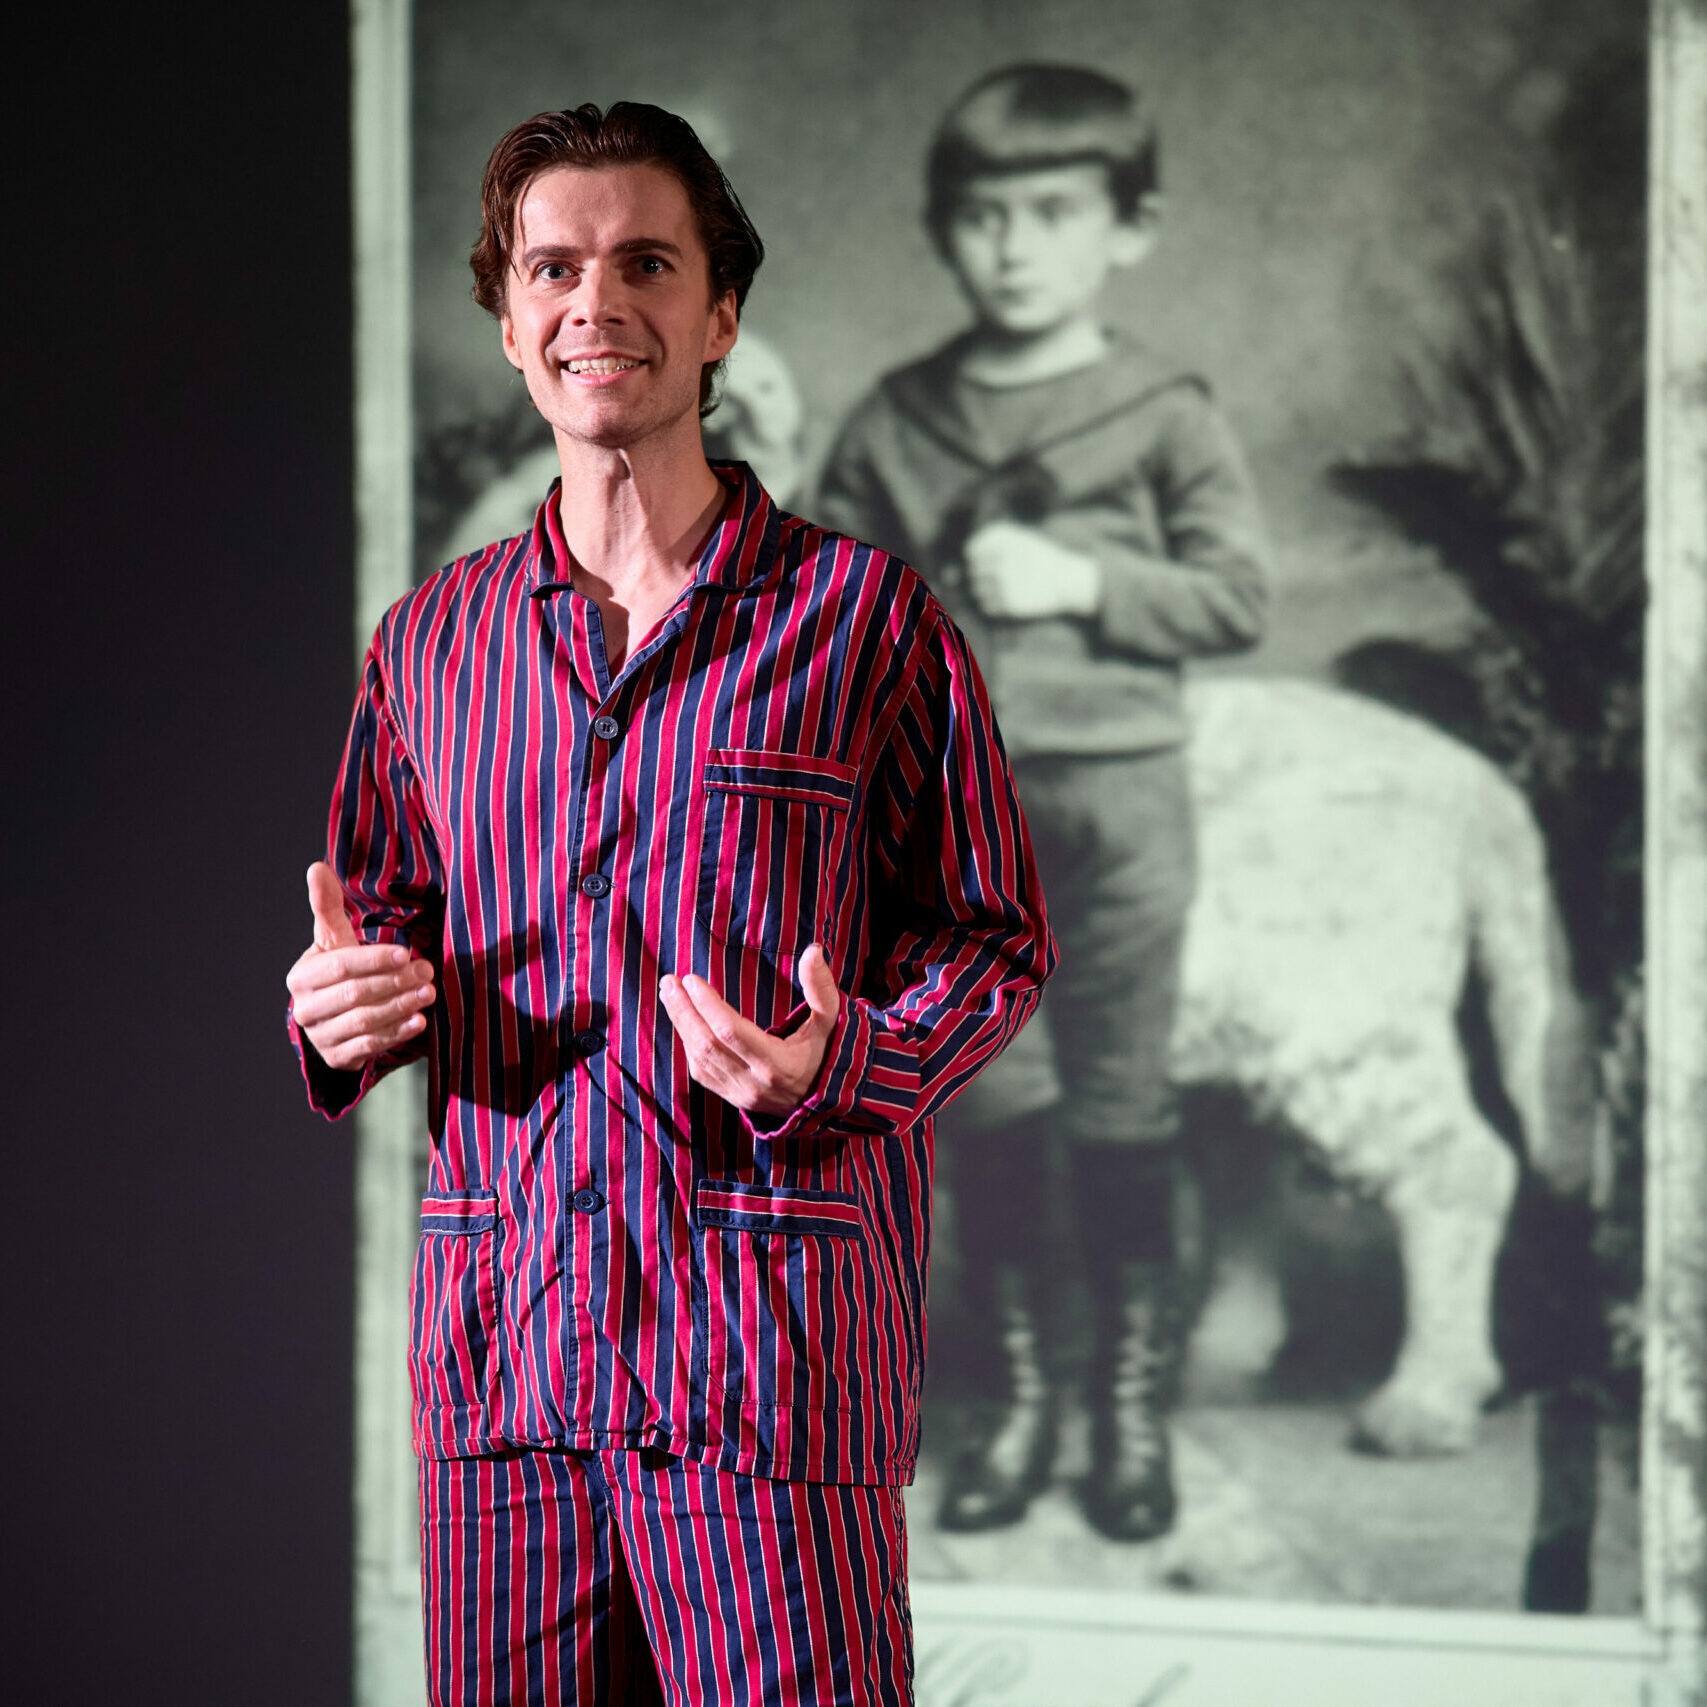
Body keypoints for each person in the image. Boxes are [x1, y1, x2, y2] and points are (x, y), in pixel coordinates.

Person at [285, 102, 1052, 1706]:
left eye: (646, 262)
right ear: (510, 322)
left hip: (766, 1369)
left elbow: (992, 939)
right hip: (509, 1376)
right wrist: (347, 1008)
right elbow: (387, 930)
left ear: (720, 316)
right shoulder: (430, 645)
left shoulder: (866, 621)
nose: (596, 302)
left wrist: (843, 1064)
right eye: (552, 269)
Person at [817, 63, 1269, 1544]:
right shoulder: (898, 418)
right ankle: (1019, 1405)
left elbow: (1238, 596)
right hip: (953, 830)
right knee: (992, 1111)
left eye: (1056, 213)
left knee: (1125, 1110)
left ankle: (1129, 1415)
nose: (1014, 247)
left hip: (1124, 809)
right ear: (942, 231)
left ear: (1130, 228)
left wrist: (1085, 581)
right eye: (983, 215)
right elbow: (818, 613)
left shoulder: (1165, 413)